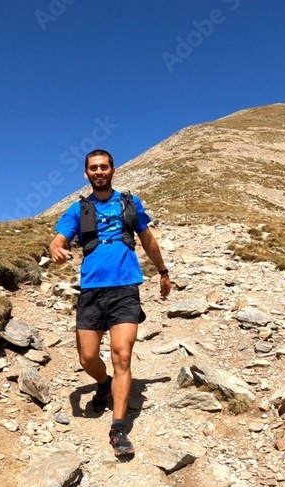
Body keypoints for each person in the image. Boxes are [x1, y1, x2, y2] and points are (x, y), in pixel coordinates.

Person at [48, 149, 172, 457]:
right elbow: (58, 240)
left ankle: (118, 428)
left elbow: (148, 240)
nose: (99, 171)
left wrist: (163, 272)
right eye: (94, 168)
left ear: (113, 170)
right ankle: (103, 383)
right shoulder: (79, 210)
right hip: (91, 290)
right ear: (86, 174)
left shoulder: (131, 203)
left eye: (104, 166)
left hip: (125, 287)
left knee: (122, 356)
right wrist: (56, 249)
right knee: (88, 358)